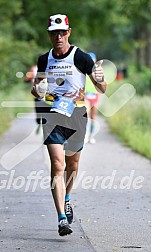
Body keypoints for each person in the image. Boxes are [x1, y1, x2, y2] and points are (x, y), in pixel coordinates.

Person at [31, 14, 106, 236]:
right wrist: (36, 90)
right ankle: (62, 218)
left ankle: (67, 198)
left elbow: (102, 89)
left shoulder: (81, 57)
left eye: (62, 32)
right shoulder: (44, 59)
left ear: (69, 32)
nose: (59, 37)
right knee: (57, 164)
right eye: (54, 33)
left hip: (77, 114)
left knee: (72, 166)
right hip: (53, 114)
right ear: (50, 35)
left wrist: (100, 77)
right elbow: (36, 87)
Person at [85, 52, 99, 144]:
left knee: (93, 117)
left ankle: (91, 136)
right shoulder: (83, 70)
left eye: (92, 60)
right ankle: (85, 136)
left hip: (95, 95)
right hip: (85, 94)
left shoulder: (98, 71)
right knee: (85, 115)